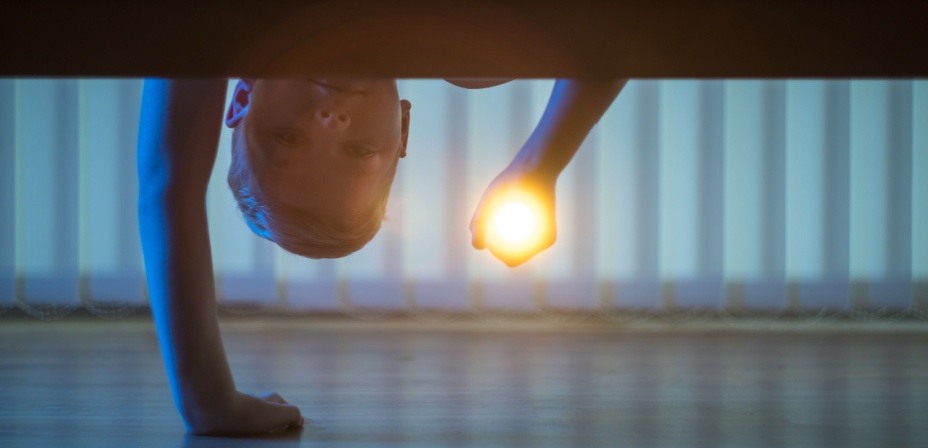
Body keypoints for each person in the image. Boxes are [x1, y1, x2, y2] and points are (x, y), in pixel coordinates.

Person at [137, 78, 625, 435]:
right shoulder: (472, 55)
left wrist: (210, 402)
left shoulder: (220, 21)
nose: (329, 123)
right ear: (403, 130)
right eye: (357, 149)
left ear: (241, 98)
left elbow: (168, 179)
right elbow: (616, 24)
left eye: (288, 138)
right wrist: (540, 165)